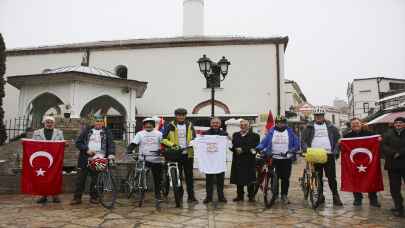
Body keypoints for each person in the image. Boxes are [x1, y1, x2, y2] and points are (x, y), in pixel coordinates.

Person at [301, 106, 343, 206]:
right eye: (316, 115)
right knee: (317, 177)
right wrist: (306, 149)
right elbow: (303, 140)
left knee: (331, 177)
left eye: (320, 115)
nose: (318, 117)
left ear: (323, 116)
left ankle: (335, 196)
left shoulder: (331, 127)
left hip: (328, 155)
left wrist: (336, 151)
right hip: (315, 155)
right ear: (314, 116)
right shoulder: (308, 127)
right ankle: (320, 196)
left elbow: (338, 140)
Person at [70, 115, 115, 205]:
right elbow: (78, 143)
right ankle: (77, 198)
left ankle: (94, 197)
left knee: (97, 180)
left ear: (103, 122)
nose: (98, 123)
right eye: (97, 121)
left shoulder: (107, 132)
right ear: (93, 122)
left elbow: (111, 144)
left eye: (100, 121)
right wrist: (86, 149)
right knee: (81, 179)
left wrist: (111, 154)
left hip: (100, 158)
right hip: (85, 158)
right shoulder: (86, 131)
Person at [256, 115, 300, 204]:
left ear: (285, 123)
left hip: (286, 158)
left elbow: (296, 144)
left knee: (285, 178)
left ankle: (284, 195)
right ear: (276, 123)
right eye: (278, 122)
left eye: (282, 122)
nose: (280, 124)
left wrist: (291, 150)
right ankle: (274, 194)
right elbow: (264, 142)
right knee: (273, 177)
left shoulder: (290, 132)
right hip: (273, 157)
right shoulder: (271, 132)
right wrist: (258, 148)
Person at [161, 108, 198, 203]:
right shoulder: (170, 125)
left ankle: (191, 196)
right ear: (175, 116)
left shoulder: (190, 125)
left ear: (185, 116)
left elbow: (194, 137)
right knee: (178, 175)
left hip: (188, 153)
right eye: (179, 115)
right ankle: (179, 194)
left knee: (189, 176)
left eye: (183, 115)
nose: (181, 117)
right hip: (176, 153)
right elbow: (164, 139)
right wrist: (173, 145)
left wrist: (193, 143)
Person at [342, 118, 381, 207]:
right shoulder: (347, 136)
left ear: (361, 124)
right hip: (354, 163)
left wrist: (378, 139)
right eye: (353, 124)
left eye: (357, 123)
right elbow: (343, 149)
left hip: (368, 162)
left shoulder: (370, 134)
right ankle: (357, 198)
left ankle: (373, 199)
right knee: (355, 179)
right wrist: (340, 143)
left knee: (371, 178)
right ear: (351, 126)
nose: (355, 125)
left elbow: (377, 142)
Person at [127, 118, 163, 208]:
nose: (148, 126)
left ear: (153, 125)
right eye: (146, 124)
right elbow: (134, 143)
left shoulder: (159, 134)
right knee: (142, 176)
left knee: (157, 178)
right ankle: (141, 191)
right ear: (144, 125)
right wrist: (129, 149)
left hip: (156, 159)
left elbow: (163, 143)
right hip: (143, 158)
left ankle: (158, 194)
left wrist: (163, 150)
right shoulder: (140, 134)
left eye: (150, 124)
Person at [32, 115, 65, 204]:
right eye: (47, 122)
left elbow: (62, 143)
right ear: (44, 123)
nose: (49, 124)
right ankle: (44, 195)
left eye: (51, 122)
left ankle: (55, 195)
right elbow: (33, 145)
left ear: (54, 123)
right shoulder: (37, 133)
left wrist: (65, 145)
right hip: (42, 158)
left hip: (55, 159)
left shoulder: (59, 133)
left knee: (55, 176)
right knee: (44, 176)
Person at [230, 119, 260, 202]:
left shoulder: (255, 136)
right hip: (238, 159)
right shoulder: (235, 135)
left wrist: (243, 150)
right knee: (238, 178)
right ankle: (240, 196)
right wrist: (233, 149)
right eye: (241, 125)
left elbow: (254, 147)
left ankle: (251, 196)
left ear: (249, 126)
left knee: (250, 179)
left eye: (245, 125)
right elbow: (233, 145)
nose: (243, 126)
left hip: (249, 160)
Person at [382, 117, 405, 217]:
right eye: (396, 123)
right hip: (392, 165)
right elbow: (383, 146)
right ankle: (398, 206)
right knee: (394, 188)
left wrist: (399, 153)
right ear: (394, 124)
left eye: (400, 123)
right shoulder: (388, 134)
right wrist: (393, 153)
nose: (398, 124)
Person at [202, 117, 228, 204]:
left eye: (217, 123)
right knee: (209, 180)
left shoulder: (224, 134)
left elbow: (229, 145)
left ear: (220, 124)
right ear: (210, 124)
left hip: (220, 160)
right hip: (209, 160)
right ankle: (208, 197)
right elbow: (201, 144)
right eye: (213, 123)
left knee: (220, 180)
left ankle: (221, 196)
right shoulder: (205, 134)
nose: (215, 124)